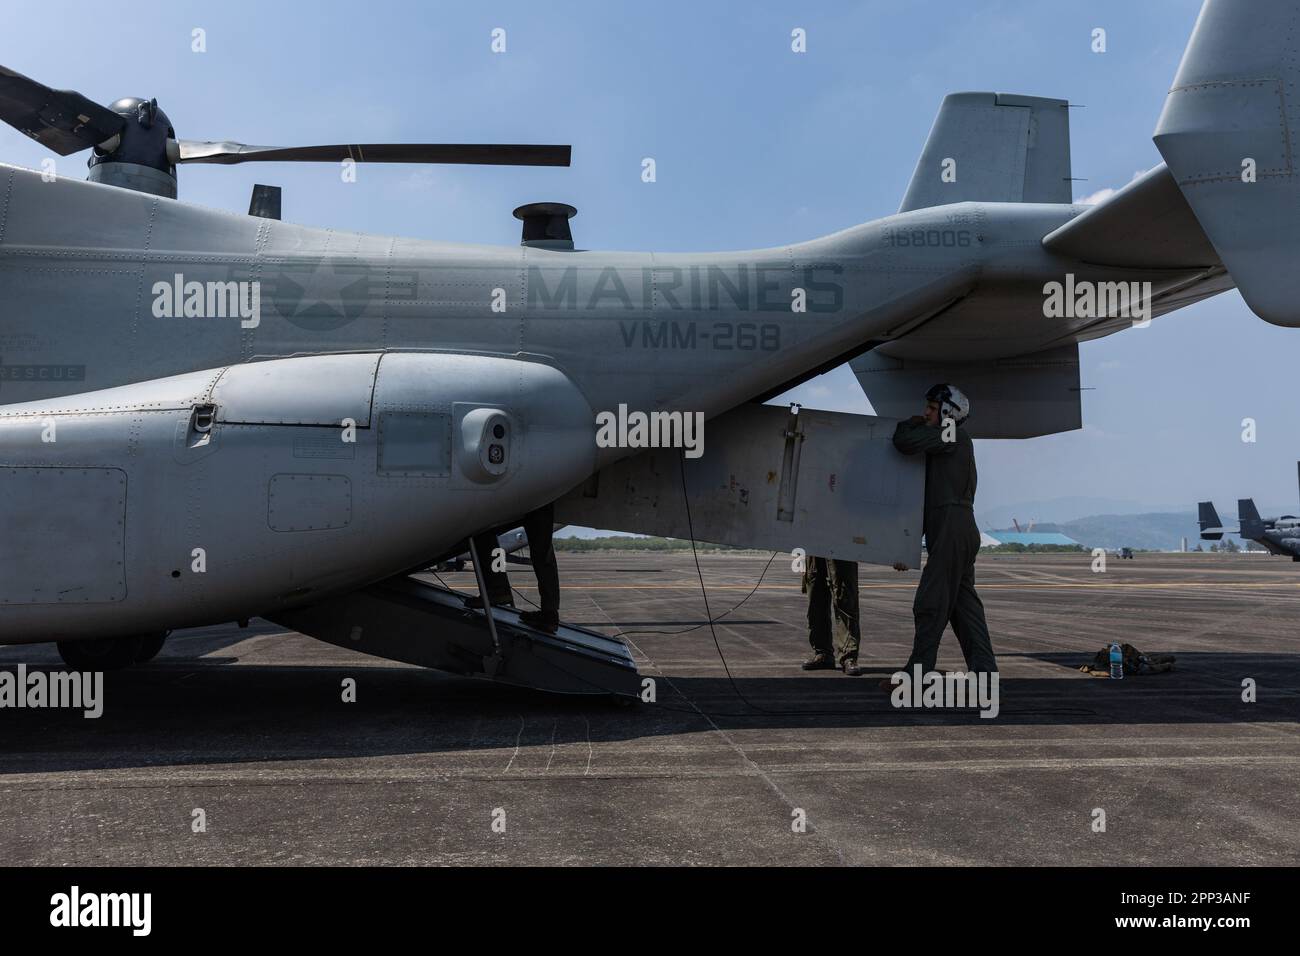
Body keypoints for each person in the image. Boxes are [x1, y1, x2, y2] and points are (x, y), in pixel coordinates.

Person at [886, 384, 997, 682]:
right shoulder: (948, 443)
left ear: (948, 413)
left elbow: (904, 440)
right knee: (965, 611)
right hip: (952, 531)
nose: (926, 412)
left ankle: (917, 676)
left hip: (952, 529)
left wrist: (912, 422)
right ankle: (985, 675)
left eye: (932, 408)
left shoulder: (951, 435)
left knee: (930, 604)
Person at [465, 502, 561, 633]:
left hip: (522, 499)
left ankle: (497, 588)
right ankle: (550, 613)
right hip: (543, 499)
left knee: (483, 532)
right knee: (544, 553)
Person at [801, 556, 863, 675]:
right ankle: (822, 653)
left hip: (841, 546)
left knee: (844, 597)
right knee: (815, 600)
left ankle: (848, 656)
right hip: (814, 546)